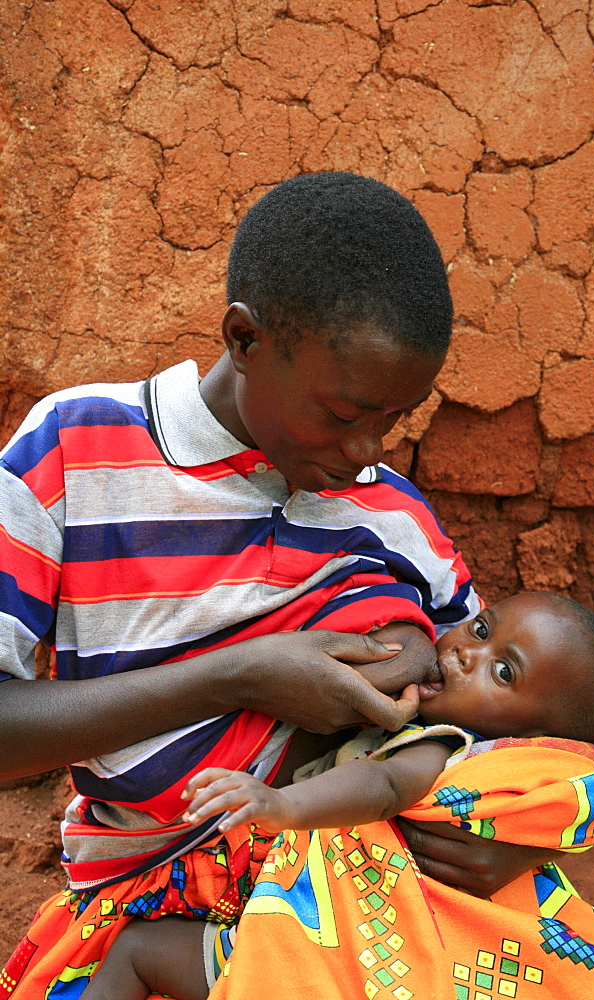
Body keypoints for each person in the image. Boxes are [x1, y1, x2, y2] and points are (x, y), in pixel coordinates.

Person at [0, 173, 555, 998]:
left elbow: (504, 723)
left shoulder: (394, 517)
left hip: (360, 922)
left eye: (393, 420)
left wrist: (517, 837)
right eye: (341, 414)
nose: (366, 449)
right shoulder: (77, 455)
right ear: (244, 339)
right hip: (152, 918)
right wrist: (244, 675)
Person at [76, 590, 594, 1000]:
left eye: (502, 672)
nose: (469, 653)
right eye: (481, 629)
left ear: (530, 737)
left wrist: (280, 805)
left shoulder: (445, 748)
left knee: (138, 952)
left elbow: (382, 786)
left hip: (324, 950)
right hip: (343, 944)